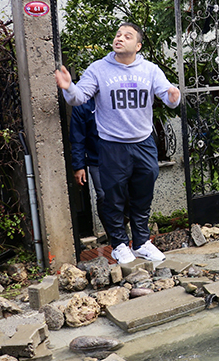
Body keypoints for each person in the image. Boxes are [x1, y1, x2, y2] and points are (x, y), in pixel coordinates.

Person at [55, 23, 180, 264]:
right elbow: (79, 98)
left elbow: (168, 95)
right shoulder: (99, 69)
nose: (120, 38)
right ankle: (119, 244)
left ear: (138, 45)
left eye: (127, 36)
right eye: (118, 34)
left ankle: (142, 242)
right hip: (112, 146)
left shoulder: (150, 70)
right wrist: (69, 87)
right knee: (113, 199)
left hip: (144, 144)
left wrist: (174, 97)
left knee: (142, 196)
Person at [69, 98, 108, 238]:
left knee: (130, 194)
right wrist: (79, 166)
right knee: (103, 196)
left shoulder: (112, 94)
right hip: (96, 160)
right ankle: (114, 236)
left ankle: (126, 227)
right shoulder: (82, 105)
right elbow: (77, 138)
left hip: (122, 156)